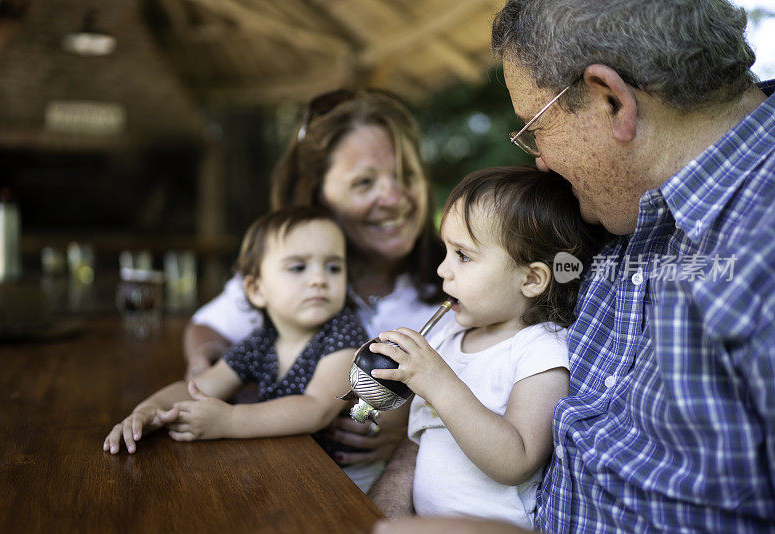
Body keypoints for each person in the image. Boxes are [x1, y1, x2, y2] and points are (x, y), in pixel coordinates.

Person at [375, 0, 775, 531]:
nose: (538, 158)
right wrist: (393, 502)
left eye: (534, 126)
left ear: (610, 100)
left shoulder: (759, 246)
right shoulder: (608, 212)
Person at [182, 89, 447, 471]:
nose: (394, 198)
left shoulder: (455, 284)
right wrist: (203, 363)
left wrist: (410, 432)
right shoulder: (290, 277)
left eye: (406, 176)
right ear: (319, 199)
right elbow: (208, 326)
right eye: (364, 183)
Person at [367, 167, 602, 527]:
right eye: (446, 251)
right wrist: (382, 373)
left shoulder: (540, 349)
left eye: (463, 255)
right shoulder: (449, 335)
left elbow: (517, 460)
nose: (443, 270)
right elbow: (415, 438)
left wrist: (438, 382)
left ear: (531, 279)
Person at [104, 207, 394, 491]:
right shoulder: (262, 341)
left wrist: (229, 420)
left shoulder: (345, 334)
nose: (319, 279)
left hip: (346, 478)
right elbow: (201, 385)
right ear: (256, 289)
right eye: (298, 267)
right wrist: (150, 410)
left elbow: (316, 408)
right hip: (290, 468)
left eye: (333, 267)